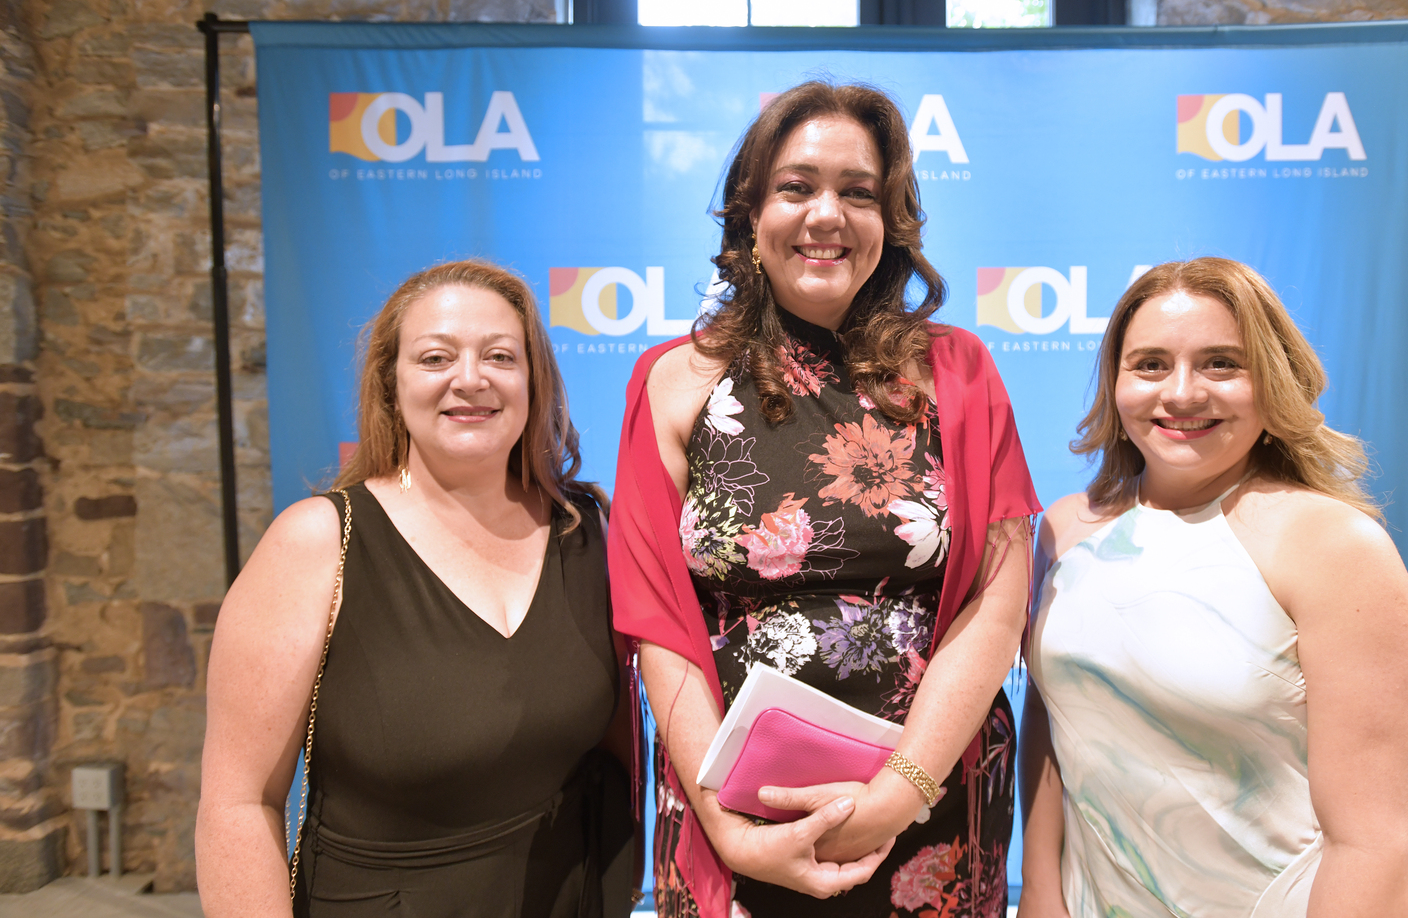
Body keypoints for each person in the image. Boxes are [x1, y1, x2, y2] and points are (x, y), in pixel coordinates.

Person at [609, 81, 1041, 918]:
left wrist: (899, 793)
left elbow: (997, 599)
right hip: (731, 818)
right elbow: (657, 619)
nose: (827, 215)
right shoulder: (673, 382)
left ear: (892, 219)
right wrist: (727, 829)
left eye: (857, 192)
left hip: (930, 817)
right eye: (796, 187)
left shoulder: (958, 372)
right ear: (750, 214)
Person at [197, 260, 636, 918]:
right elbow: (237, 806)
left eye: (499, 356)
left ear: (533, 379)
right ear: (391, 385)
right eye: (436, 357)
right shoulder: (316, 544)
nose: (471, 379)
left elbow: (614, 755)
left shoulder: (586, 530)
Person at [1018, 258, 1408, 918]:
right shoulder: (1065, 530)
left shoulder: (1333, 548)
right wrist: (1043, 898)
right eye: (1151, 364)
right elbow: (1053, 724)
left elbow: (1379, 846)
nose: (1183, 393)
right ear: (1116, 384)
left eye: (1221, 363)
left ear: (1270, 383)